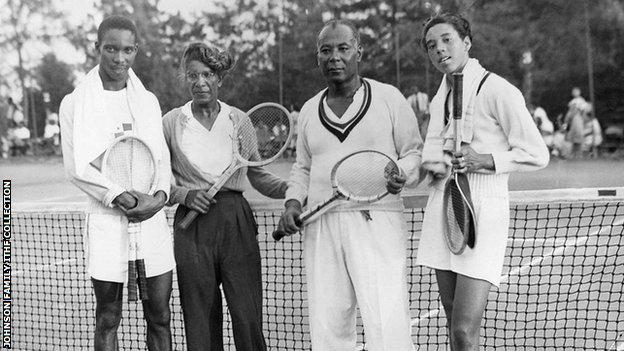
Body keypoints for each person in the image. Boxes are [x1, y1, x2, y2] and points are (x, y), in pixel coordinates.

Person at [277, 19, 423, 350]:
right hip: (321, 223)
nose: (335, 57)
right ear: (318, 57)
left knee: (387, 321)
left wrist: (401, 172)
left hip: (377, 218)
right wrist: (292, 203)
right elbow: (302, 167)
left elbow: (414, 153)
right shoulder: (311, 109)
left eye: (343, 48)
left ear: (359, 51)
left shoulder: (389, 98)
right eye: (326, 50)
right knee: (328, 325)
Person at [416, 13, 549, 350]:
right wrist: (419, 170)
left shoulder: (499, 89)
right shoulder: (438, 97)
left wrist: (485, 160)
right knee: (451, 320)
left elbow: (537, 153)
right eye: (432, 45)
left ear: (467, 43)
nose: (439, 49)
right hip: (443, 206)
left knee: (463, 328)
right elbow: (432, 157)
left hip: (484, 210)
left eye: (446, 40)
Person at [162, 42, 288, 351]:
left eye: (207, 74)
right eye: (192, 75)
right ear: (184, 77)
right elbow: (159, 182)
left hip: (236, 222)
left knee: (247, 315)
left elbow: (257, 173)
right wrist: (184, 194)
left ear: (220, 78)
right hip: (191, 227)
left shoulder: (239, 120)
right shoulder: (169, 123)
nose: (200, 82)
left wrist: (294, 191)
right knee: (199, 316)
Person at [59, 15, 174, 351]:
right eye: (111, 48)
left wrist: (160, 197)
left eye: (127, 50)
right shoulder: (74, 102)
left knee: (160, 317)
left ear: (136, 51)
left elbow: (162, 159)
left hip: (152, 222)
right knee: (108, 317)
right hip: (106, 222)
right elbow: (75, 167)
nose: (119, 58)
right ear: (98, 48)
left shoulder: (148, 100)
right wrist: (119, 196)